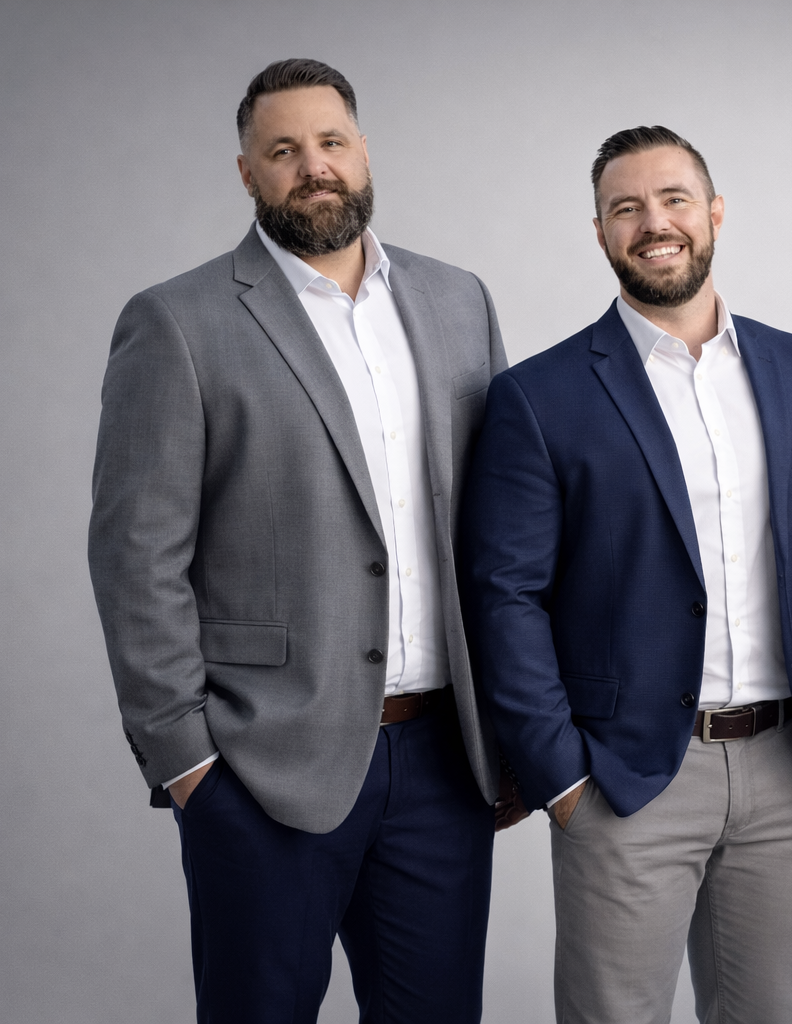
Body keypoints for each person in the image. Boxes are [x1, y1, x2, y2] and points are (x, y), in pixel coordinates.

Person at [87, 58, 515, 1023]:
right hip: (262, 764)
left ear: (364, 151)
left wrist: (512, 726)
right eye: (283, 150)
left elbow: (503, 530)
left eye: (329, 142)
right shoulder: (178, 322)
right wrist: (187, 762)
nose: (312, 166)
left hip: (446, 761)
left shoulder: (459, 301)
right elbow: (135, 556)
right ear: (247, 173)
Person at [461, 126, 792, 1024]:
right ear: (600, 232)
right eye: (627, 208)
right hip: (624, 776)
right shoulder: (539, 397)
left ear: (715, 213)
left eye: (674, 200)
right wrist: (560, 775)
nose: (654, 223)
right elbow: (506, 596)